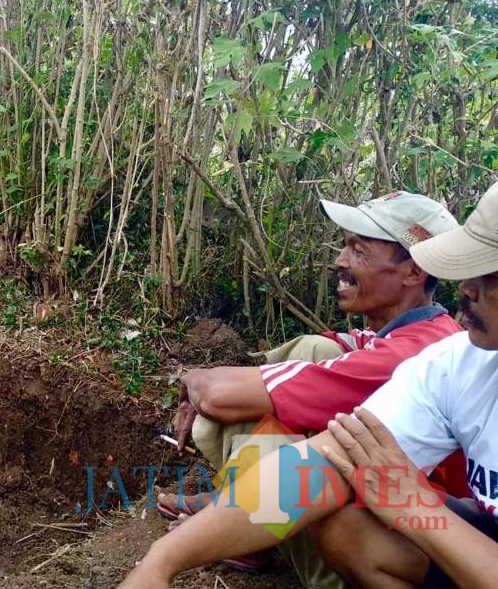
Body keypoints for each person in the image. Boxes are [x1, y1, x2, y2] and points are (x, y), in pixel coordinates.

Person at [119, 180, 498, 589]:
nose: (467, 288)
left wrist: (417, 508)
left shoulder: (421, 346)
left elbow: (225, 397)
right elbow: (323, 462)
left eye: (491, 274)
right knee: (345, 515)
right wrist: (159, 564)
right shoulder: (456, 364)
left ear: (413, 271)